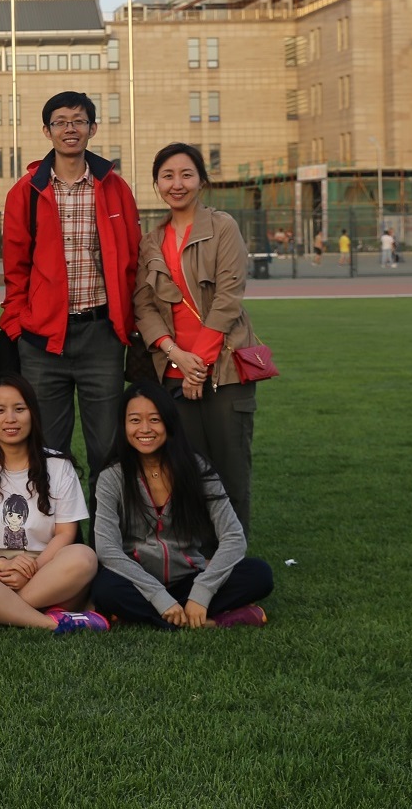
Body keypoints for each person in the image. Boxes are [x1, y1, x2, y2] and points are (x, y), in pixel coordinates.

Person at [0, 90, 141, 489]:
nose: (70, 129)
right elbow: (15, 271)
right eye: (60, 122)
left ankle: (107, 528)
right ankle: (56, 529)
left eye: (78, 121)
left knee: (108, 451)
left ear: (92, 128)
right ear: (47, 131)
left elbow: (131, 261)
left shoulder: (115, 188)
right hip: (43, 342)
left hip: (101, 337)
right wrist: (18, 327)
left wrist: (124, 324)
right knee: (47, 452)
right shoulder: (25, 192)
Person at [132, 142, 267, 532]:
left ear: (202, 181)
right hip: (174, 375)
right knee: (188, 475)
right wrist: (176, 355)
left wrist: (200, 365)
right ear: (157, 184)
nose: (177, 184)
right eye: (168, 176)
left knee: (230, 476)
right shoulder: (151, 241)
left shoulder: (222, 227)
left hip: (224, 371)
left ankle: (233, 561)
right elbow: (144, 306)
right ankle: (199, 556)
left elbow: (228, 299)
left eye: (186, 174)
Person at [90, 381, 273, 629]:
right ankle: (210, 621)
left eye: (154, 419)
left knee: (259, 574)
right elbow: (107, 549)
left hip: (189, 579)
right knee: (105, 589)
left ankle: (158, 615)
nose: (145, 429)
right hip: (139, 583)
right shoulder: (112, 477)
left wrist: (202, 591)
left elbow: (233, 536)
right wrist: (159, 596)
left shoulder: (196, 468)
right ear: (123, 426)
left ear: (169, 422)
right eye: (134, 420)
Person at [0, 374, 105, 634]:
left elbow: (66, 533)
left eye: (19, 409)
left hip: (47, 571)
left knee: (84, 557)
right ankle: (49, 622)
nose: (10, 418)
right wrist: (2, 564)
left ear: (33, 413)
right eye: (0, 410)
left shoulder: (58, 465)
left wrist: (32, 568)